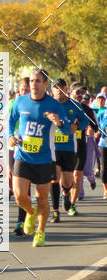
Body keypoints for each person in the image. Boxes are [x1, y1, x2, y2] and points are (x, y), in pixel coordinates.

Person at [9, 69, 69, 247]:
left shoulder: (54, 105)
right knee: (19, 196)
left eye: (38, 81)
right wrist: (10, 136)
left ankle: (41, 232)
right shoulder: (20, 101)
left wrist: (59, 122)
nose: (33, 84)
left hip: (44, 159)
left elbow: (66, 130)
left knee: (42, 198)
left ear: (45, 84)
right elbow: (10, 121)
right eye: (32, 81)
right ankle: (30, 211)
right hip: (22, 155)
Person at [50, 79, 89, 221]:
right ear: (52, 90)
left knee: (67, 181)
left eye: (61, 87)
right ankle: (55, 212)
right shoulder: (48, 104)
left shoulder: (74, 105)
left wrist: (76, 127)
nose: (58, 90)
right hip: (53, 148)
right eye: (56, 88)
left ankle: (65, 193)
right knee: (55, 177)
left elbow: (85, 121)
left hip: (69, 147)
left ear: (66, 89)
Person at [9, 77, 31, 235]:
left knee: (25, 185)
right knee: (16, 187)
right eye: (22, 90)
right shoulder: (13, 104)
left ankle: (21, 222)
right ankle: (28, 212)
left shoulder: (37, 105)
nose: (24, 92)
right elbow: (6, 123)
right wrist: (10, 135)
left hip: (29, 149)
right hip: (12, 148)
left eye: (27, 90)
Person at [69, 85, 97, 207]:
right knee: (66, 177)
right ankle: (66, 195)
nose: (80, 95)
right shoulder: (64, 106)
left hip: (81, 145)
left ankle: (72, 204)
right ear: (71, 92)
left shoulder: (87, 110)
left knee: (77, 175)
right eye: (78, 92)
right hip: (65, 146)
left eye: (82, 92)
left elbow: (95, 126)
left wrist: (91, 129)